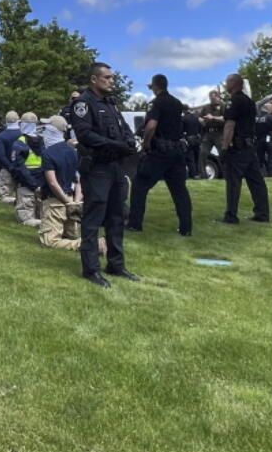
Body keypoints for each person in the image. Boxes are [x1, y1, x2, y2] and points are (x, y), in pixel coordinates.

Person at [68, 62, 140, 287]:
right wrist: (114, 145)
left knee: (117, 216)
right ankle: (91, 269)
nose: (112, 81)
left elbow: (123, 128)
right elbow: (85, 134)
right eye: (107, 77)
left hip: (116, 166)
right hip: (97, 167)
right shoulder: (83, 103)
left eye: (112, 77)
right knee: (94, 218)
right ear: (94, 79)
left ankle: (116, 265)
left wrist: (129, 141)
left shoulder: (111, 103)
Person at [127, 74, 193, 237]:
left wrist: (146, 144)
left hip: (160, 152)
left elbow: (151, 126)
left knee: (140, 185)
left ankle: (135, 224)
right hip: (176, 151)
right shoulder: (177, 103)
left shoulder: (157, 102)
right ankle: (186, 228)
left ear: (155, 86)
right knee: (179, 190)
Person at [219, 73, 271, 225]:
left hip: (238, 148)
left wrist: (224, 147)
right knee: (257, 182)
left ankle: (231, 215)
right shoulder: (249, 102)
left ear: (234, 84)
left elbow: (230, 125)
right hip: (250, 148)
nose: (225, 85)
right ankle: (262, 213)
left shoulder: (235, 101)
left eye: (227, 82)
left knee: (233, 182)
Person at [37, 115, 83, 251]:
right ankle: (87, 242)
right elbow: (79, 180)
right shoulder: (73, 151)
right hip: (71, 198)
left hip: (55, 201)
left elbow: (52, 182)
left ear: (51, 130)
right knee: (71, 236)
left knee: (49, 241)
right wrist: (75, 202)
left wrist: (66, 203)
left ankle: (91, 245)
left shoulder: (47, 153)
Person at [10, 112, 44, 228]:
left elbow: (18, 166)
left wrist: (31, 183)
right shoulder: (43, 141)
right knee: (42, 211)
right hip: (41, 180)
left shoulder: (20, 142)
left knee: (25, 217)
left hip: (26, 181)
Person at [0, 111, 22, 204]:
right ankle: (19, 200)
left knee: (4, 196)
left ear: (6, 121)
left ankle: (13, 201)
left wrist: (10, 167)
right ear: (18, 119)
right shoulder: (23, 134)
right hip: (22, 168)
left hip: (6, 168)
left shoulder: (0, 136)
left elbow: (1, 155)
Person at [199, 90, 227, 177]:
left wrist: (213, 118)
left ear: (218, 97)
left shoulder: (223, 105)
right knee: (203, 152)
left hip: (219, 133)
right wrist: (202, 120)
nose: (212, 100)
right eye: (210, 98)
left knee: (222, 153)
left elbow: (225, 118)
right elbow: (199, 117)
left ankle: (227, 174)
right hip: (208, 133)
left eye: (214, 98)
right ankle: (203, 175)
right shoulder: (206, 107)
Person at [255, 101, 272, 177]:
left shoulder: (256, 118)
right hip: (269, 140)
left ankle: (259, 174)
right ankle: (271, 174)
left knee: (260, 158)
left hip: (259, 140)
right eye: (271, 108)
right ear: (268, 109)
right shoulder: (271, 117)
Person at [181, 104, 202, 179]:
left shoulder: (183, 118)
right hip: (197, 138)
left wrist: (183, 138)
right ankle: (199, 173)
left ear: (183, 110)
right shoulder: (196, 118)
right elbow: (200, 127)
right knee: (197, 157)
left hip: (189, 140)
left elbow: (181, 130)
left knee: (190, 158)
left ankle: (193, 175)